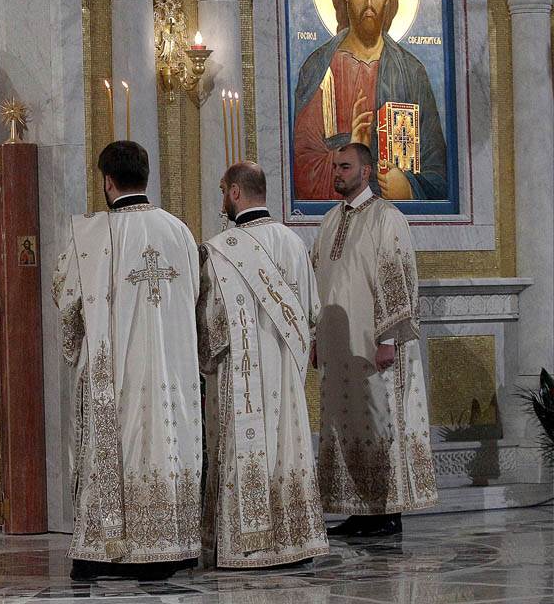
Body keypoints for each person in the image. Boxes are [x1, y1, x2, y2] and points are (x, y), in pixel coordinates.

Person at [52, 141, 202, 581]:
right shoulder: (179, 230)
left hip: (114, 370)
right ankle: (172, 544)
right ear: (146, 175)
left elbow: (67, 297)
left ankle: (104, 548)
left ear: (107, 181)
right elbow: (195, 295)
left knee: (115, 445)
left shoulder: (92, 236)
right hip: (172, 366)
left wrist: (73, 345)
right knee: (167, 444)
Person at [197, 162, 329, 568]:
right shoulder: (293, 242)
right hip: (287, 373)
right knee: (288, 448)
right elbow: (310, 312)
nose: (222, 200)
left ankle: (247, 545)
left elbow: (214, 328)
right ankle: (295, 540)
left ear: (235, 193)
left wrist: (204, 362)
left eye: (223, 191)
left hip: (242, 377)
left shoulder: (219, 250)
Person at [312, 143, 438, 537]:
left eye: (345, 166)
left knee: (380, 421)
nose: (338, 172)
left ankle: (387, 509)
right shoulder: (330, 220)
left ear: (366, 172)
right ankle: (360, 508)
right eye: (335, 166)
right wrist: (317, 337)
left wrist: (388, 338)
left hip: (374, 345)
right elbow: (321, 284)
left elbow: (396, 279)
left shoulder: (387, 217)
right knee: (347, 425)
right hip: (338, 346)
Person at [293, 0, 447, 201]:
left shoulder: (412, 73)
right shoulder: (319, 70)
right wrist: (350, 153)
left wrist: (408, 187)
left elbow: (439, 173)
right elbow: (302, 167)